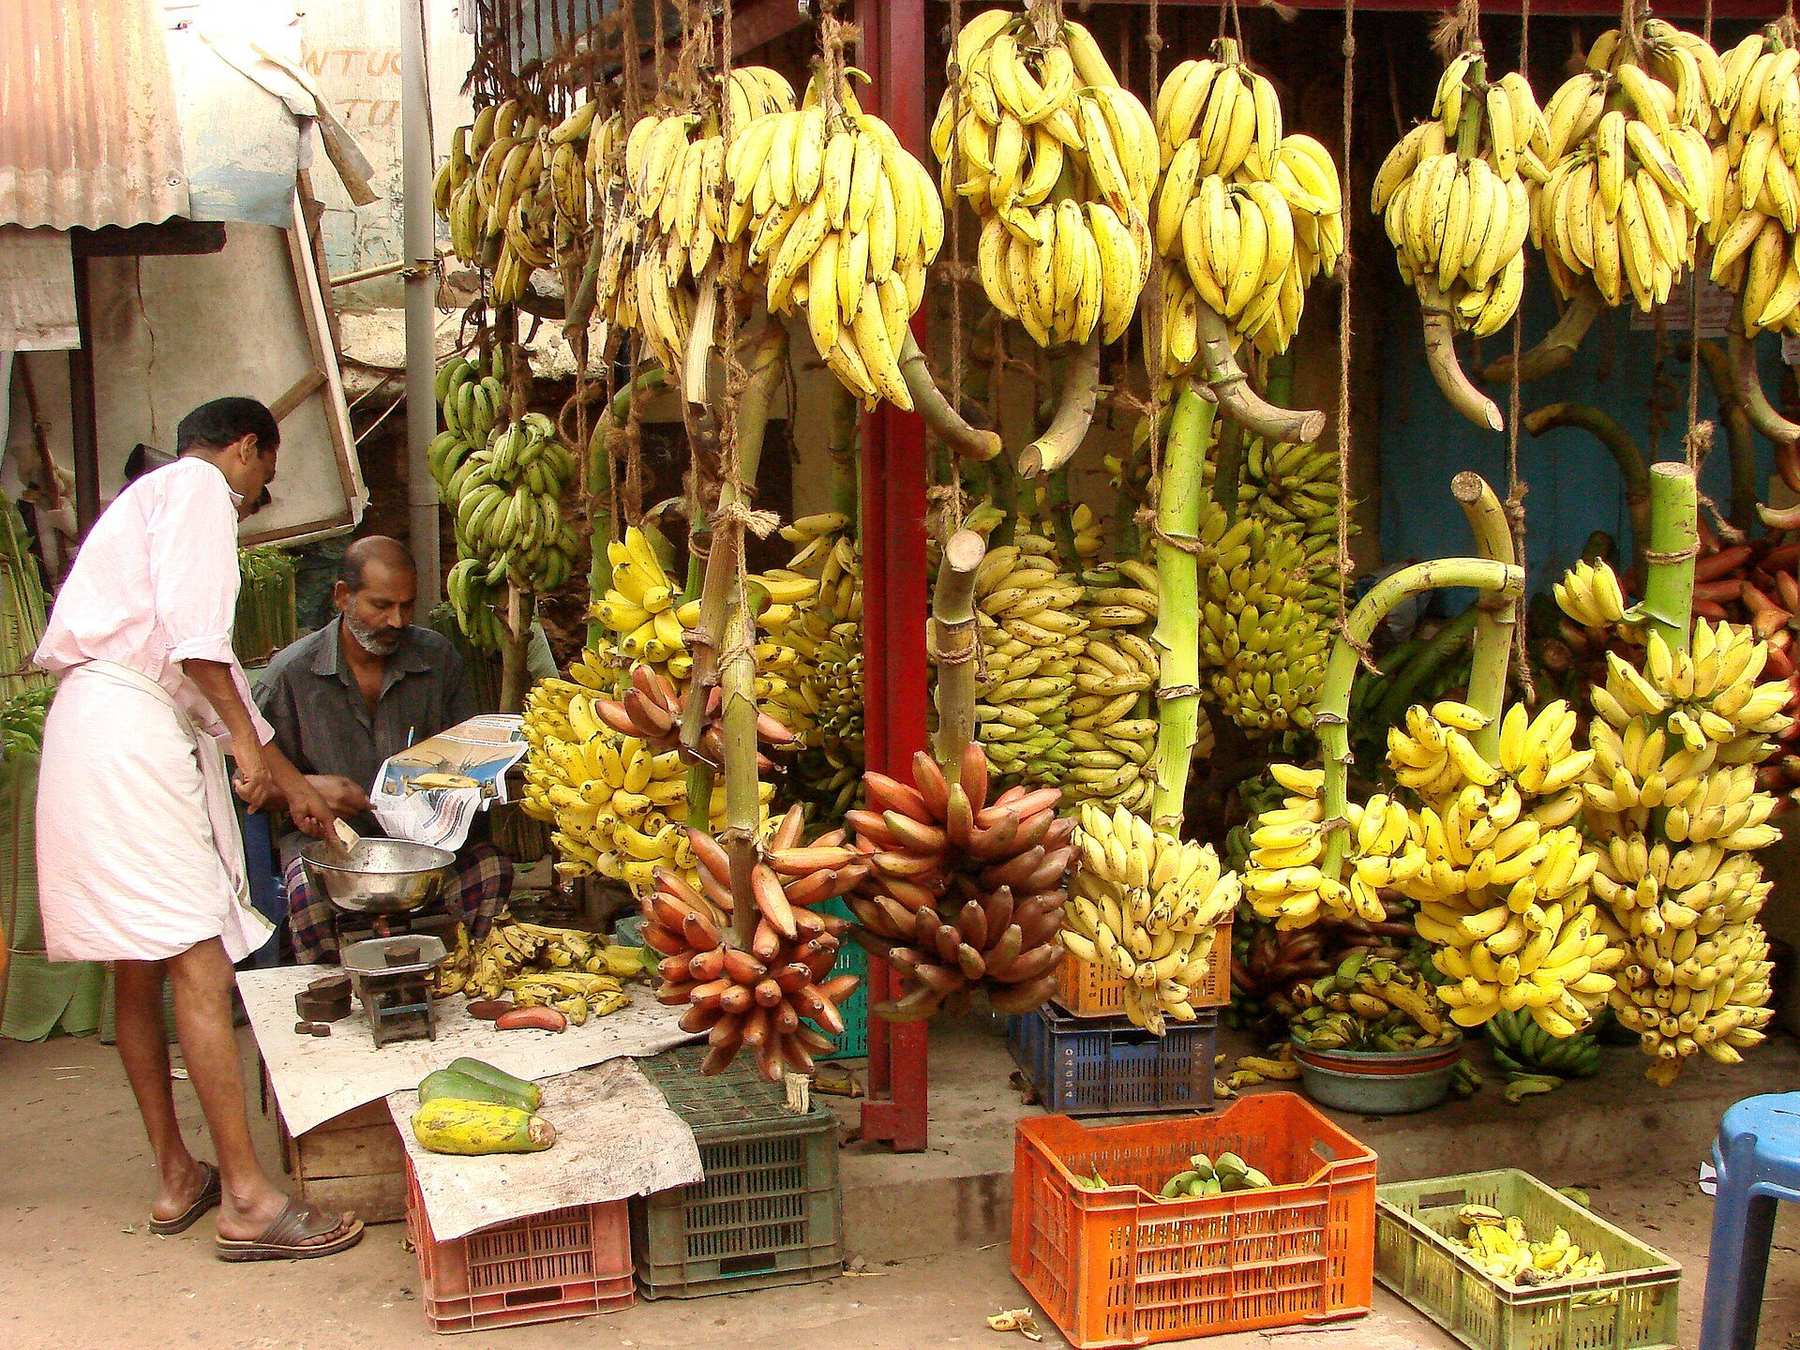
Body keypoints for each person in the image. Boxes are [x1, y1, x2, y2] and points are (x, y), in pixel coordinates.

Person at [34, 397, 363, 1262]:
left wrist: (291, 784)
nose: (256, 498)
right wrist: (259, 767)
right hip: (129, 736)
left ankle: (179, 1175)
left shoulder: (148, 500)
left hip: (98, 727)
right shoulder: (196, 489)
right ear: (248, 449)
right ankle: (249, 1199)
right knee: (200, 959)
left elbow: (222, 706)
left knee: (138, 965)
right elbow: (200, 650)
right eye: (264, 478)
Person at [255, 536, 512, 962]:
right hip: (334, 854)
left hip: (425, 850)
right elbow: (251, 785)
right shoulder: (291, 675)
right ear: (343, 596)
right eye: (381, 606)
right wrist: (309, 788)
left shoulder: (438, 659)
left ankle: (470, 979)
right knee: (306, 894)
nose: (396, 621)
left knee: (491, 871)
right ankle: (333, 995)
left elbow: (469, 755)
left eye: (406, 606)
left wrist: (472, 788)